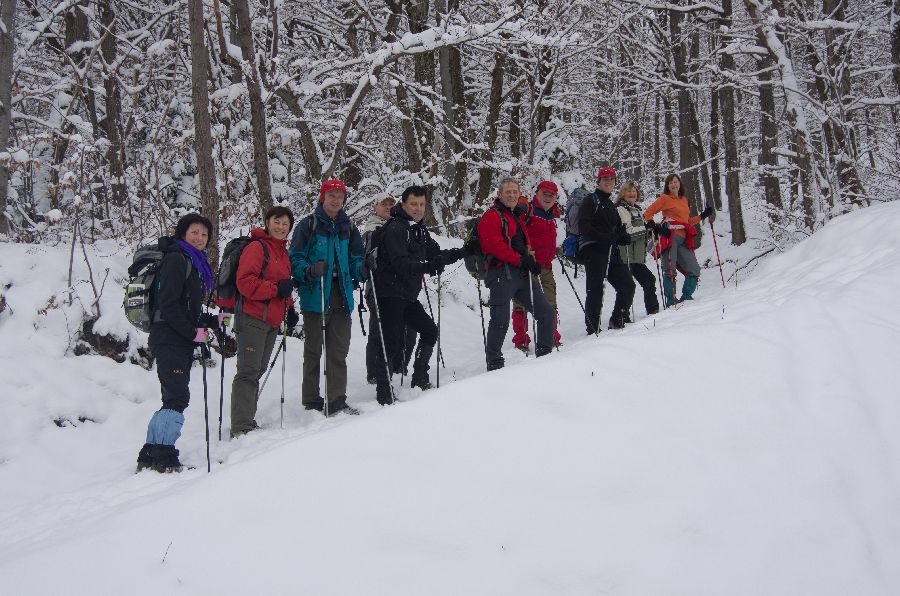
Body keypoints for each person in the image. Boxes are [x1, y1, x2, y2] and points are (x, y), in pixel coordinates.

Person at [136, 213, 219, 473]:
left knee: (172, 396)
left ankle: (150, 453)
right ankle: (164, 457)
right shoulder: (176, 259)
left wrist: (213, 321)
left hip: (174, 338)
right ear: (183, 233)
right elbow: (169, 305)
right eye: (195, 232)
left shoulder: (190, 262)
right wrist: (192, 333)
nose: (200, 238)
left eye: (204, 234)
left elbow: (187, 310)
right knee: (177, 398)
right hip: (170, 338)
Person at [369, 185, 464, 403]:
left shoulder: (419, 230)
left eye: (422, 204)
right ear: (403, 205)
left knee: (429, 331)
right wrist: (429, 267)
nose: (418, 208)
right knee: (391, 343)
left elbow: (438, 254)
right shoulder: (396, 228)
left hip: (407, 296)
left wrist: (465, 251)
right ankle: (384, 392)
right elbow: (401, 263)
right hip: (389, 294)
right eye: (414, 204)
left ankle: (419, 377)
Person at [289, 179, 365, 416]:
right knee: (313, 350)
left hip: (341, 294)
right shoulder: (308, 225)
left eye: (340, 196)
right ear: (322, 197)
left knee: (338, 350)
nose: (335, 200)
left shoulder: (348, 227)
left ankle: (336, 400)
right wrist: (310, 270)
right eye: (331, 195)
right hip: (315, 293)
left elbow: (355, 258)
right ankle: (311, 401)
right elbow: (295, 258)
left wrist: (363, 268)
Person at [229, 206, 299, 438]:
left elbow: (283, 286)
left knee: (257, 369)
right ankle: (241, 426)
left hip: (271, 321)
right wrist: (276, 290)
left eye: (285, 224)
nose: (281, 227)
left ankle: (247, 419)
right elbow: (245, 283)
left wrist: (289, 308)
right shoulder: (256, 248)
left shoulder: (282, 252)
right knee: (248, 371)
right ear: (268, 223)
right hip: (252, 318)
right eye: (277, 222)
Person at [479, 177, 556, 370]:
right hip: (499, 274)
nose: (512, 195)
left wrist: (531, 262)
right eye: (508, 192)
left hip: (520, 274)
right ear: (499, 195)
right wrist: (521, 260)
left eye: (515, 192)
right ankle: (494, 364)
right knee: (500, 321)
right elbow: (493, 245)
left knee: (546, 313)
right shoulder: (492, 216)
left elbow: (522, 244)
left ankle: (546, 357)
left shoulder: (516, 216)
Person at [361, 192, 417, 384]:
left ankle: (398, 368)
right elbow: (369, 258)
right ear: (375, 207)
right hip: (379, 288)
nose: (387, 207)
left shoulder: (402, 227)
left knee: (408, 330)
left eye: (390, 204)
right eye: (383, 204)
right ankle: (376, 374)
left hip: (401, 288)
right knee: (379, 330)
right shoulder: (371, 230)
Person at [643, 174, 713, 306]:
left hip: (683, 238)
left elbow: (686, 222)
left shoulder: (684, 200)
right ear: (667, 186)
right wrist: (655, 226)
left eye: (675, 182)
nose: (673, 185)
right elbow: (648, 213)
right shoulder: (664, 199)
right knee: (670, 270)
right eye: (670, 183)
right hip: (670, 236)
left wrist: (703, 215)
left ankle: (686, 298)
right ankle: (671, 302)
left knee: (694, 269)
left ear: (679, 184)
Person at [578, 167, 632, 334]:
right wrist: (605, 237)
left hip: (611, 252)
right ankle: (592, 329)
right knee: (595, 290)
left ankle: (617, 320)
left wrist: (622, 236)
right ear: (598, 181)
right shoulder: (590, 200)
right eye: (605, 178)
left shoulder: (609, 204)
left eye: (612, 179)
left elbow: (615, 229)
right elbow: (584, 227)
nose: (609, 181)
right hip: (594, 251)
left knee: (628, 286)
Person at [511, 180, 563, 351]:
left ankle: (551, 336)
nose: (548, 198)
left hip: (546, 266)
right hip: (527, 265)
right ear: (537, 193)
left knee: (550, 303)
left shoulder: (551, 215)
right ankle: (521, 340)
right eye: (544, 194)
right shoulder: (527, 210)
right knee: (522, 304)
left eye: (552, 195)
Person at [615, 182, 659, 319]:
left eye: (634, 191)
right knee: (627, 287)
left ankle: (653, 311)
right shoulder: (621, 209)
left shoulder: (638, 210)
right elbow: (629, 232)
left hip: (637, 257)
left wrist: (652, 231)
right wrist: (646, 228)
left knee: (649, 280)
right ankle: (621, 317)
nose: (632, 194)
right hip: (625, 255)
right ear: (622, 194)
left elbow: (642, 234)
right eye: (628, 191)